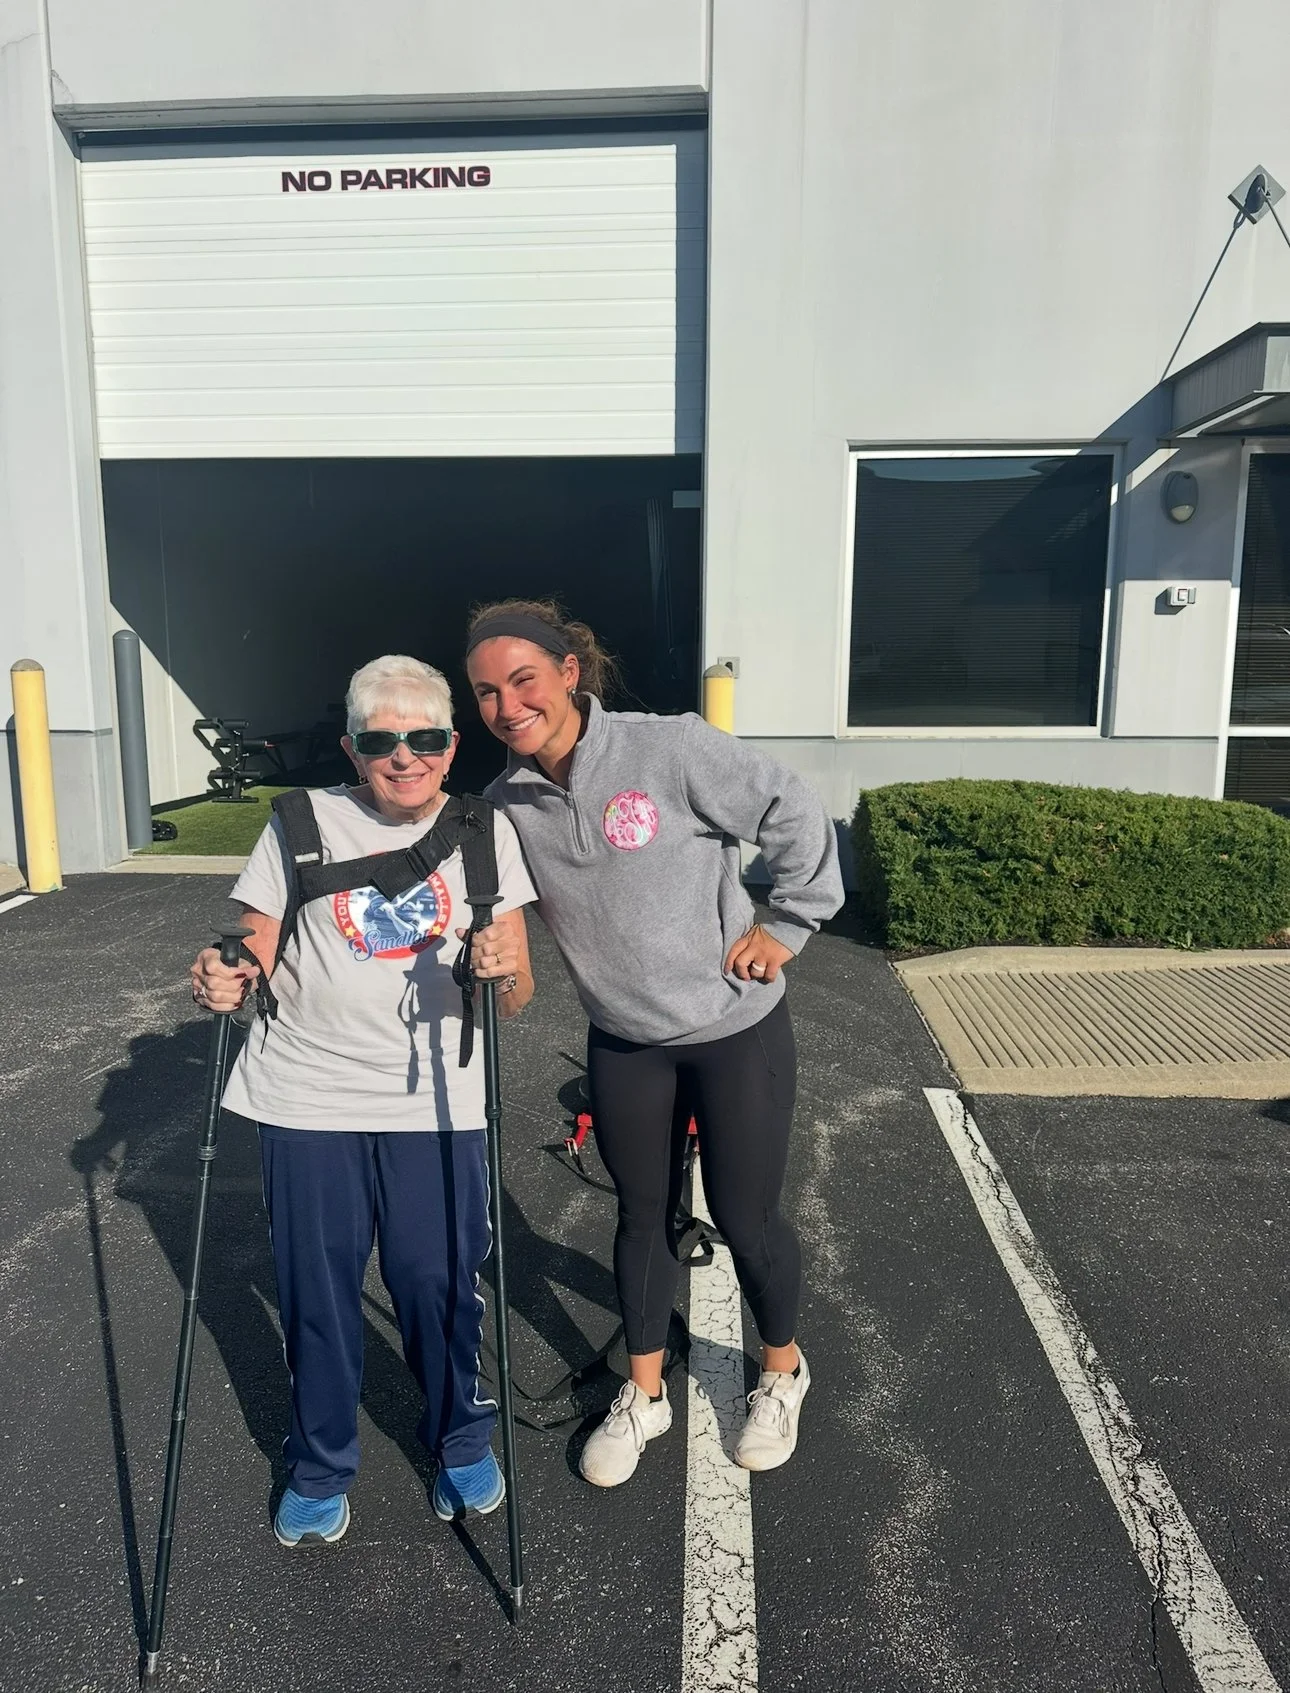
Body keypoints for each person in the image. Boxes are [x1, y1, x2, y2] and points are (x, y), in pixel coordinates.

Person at [465, 601, 844, 1486]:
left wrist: (788, 922)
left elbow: (790, 805)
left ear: (570, 671)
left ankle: (783, 1371)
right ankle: (644, 1396)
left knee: (747, 1220)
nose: (507, 704)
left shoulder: (668, 747)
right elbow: (495, 922)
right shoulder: (504, 804)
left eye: (524, 679)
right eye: (486, 691)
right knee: (641, 1218)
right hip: (626, 1041)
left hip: (733, 1028)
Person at [189, 654, 536, 1545]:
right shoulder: (300, 820)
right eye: (382, 741)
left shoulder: (487, 834)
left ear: (453, 745)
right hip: (308, 1096)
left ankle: (460, 1436)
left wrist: (503, 972)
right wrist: (226, 973)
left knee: (436, 1280)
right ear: (352, 747)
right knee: (319, 1288)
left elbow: (519, 985)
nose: (405, 757)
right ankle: (318, 1461)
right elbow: (253, 941)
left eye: (425, 738)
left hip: (436, 1102)